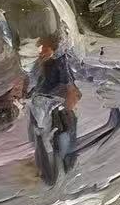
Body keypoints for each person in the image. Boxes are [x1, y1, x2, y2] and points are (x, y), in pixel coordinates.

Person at [27, 35, 80, 175]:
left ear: (52, 48)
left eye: (45, 48)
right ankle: (50, 162)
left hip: (55, 102)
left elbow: (68, 85)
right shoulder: (41, 63)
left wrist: (67, 104)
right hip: (43, 100)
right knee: (41, 131)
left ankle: (65, 162)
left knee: (60, 131)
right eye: (41, 48)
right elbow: (35, 84)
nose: (41, 51)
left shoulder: (60, 62)